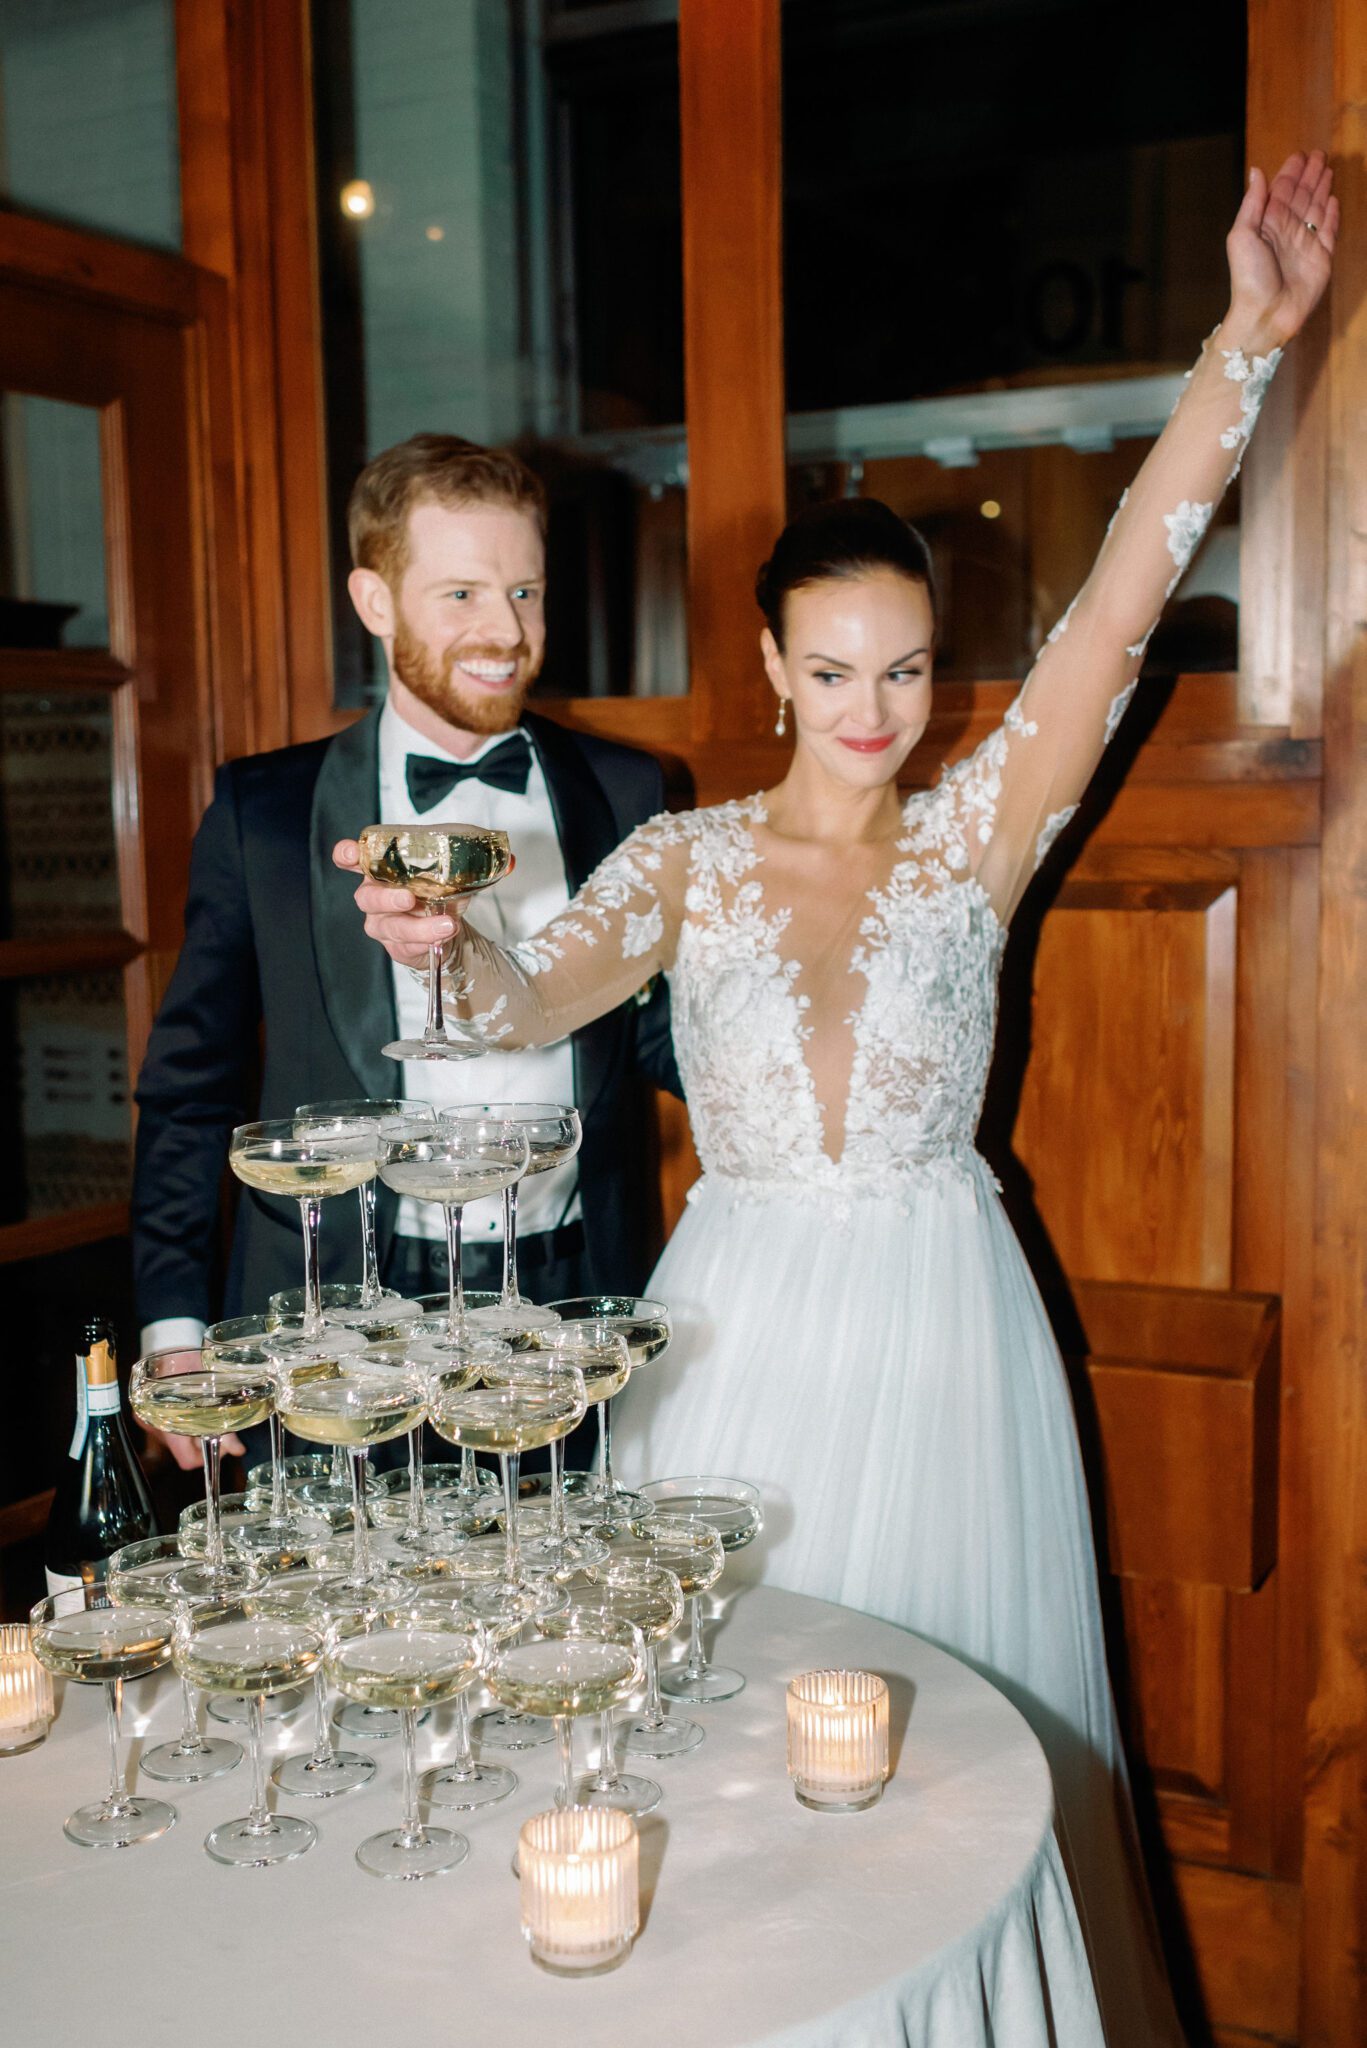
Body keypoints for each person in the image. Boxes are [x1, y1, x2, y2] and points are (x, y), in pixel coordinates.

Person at [338, 154, 1336, 2043]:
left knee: (949, 1757)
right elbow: (528, 983)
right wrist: (435, 948)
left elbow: (1125, 596)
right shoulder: (690, 860)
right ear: (777, 675)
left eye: (902, 668)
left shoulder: (977, 842)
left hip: (945, 1329)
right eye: (832, 670)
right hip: (738, 1327)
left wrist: (1242, 344)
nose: (872, 706)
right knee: (718, 1734)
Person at [133, 435, 681, 1468]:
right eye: (462, 593)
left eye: (525, 590)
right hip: (330, 1327)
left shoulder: (630, 791)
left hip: (571, 1315)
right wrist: (173, 1329)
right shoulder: (265, 812)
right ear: (374, 601)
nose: (506, 631)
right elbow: (187, 1088)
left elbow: (662, 1037)